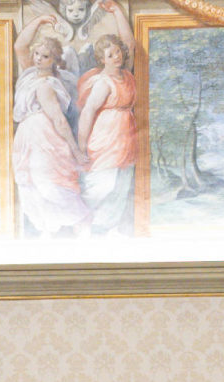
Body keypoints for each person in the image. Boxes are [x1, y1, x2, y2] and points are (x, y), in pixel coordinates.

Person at [12, 34, 89, 237]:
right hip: (27, 137)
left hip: (44, 137)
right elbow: (19, 45)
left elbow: (59, 120)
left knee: (48, 184)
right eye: (36, 53)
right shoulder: (30, 77)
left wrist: (75, 151)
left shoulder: (46, 85)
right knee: (30, 186)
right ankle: (47, 228)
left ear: (54, 60)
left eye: (45, 56)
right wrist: (42, 20)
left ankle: (80, 219)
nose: (38, 58)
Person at [76, 34, 140, 235]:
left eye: (118, 52)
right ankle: (80, 219)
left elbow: (130, 42)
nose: (116, 57)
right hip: (106, 137)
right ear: (102, 59)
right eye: (110, 55)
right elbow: (88, 111)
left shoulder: (127, 76)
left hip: (126, 136)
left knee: (121, 185)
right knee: (102, 183)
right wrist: (81, 145)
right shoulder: (103, 82)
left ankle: (104, 226)